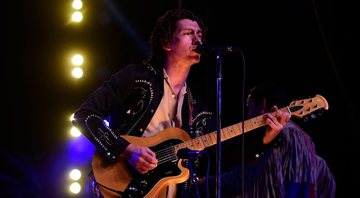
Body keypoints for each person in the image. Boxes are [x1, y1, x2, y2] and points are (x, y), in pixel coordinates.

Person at [71, 8, 291, 198]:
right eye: (188, 33)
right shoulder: (136, 78)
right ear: (167, 42)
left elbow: (222, 158)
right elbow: (85, 116)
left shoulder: (199, 110)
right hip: (121, 187)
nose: (198, 40)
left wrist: (264, 138)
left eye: (199, 34)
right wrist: (128, 150)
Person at [197, 84, 336, 198]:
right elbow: (247, 175)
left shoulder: (290, 131)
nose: (248, 115)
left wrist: (205, 184)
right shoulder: (270, 138)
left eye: (250, 107)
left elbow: (300, 184)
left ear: (262, 104)